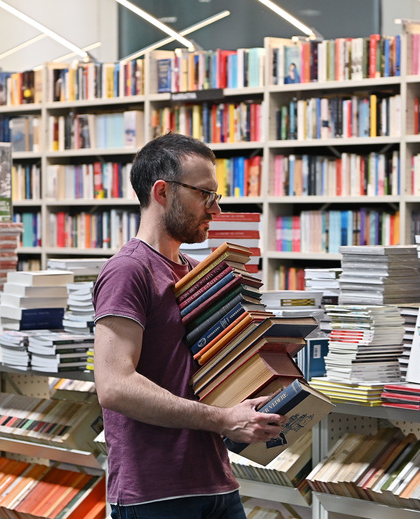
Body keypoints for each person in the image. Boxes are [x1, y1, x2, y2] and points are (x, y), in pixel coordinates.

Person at [92, 132, 286, 519]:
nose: (215, 209)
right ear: (162, 192)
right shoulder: (129, 271)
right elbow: (114, 386)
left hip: (215, 480)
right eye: (204, 195)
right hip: (156, 493)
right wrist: (224, 419)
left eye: (215, 196)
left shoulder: (196, 273)